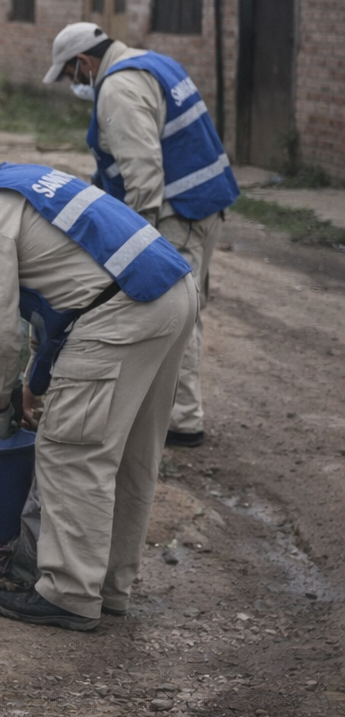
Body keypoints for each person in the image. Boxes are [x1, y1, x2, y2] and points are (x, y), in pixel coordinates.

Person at [0, 161, 198, 631]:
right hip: (169, 289)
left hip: (121, 312)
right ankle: (108, 589)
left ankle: (69, 594)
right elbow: (56, 299)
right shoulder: (13, 180)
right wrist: (33, 385)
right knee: (130, 457)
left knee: (70, 452)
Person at [43, 22, 240, 447]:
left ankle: (183, 422)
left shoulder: (117, 89)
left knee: (175, 315)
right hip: (206, 203)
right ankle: (182, 412)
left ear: (84, 63)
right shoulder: (154, 63)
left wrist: (134, 249)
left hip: (178, 213)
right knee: (189, 310)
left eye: (70, 75)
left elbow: (143, 175)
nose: (73, 84)